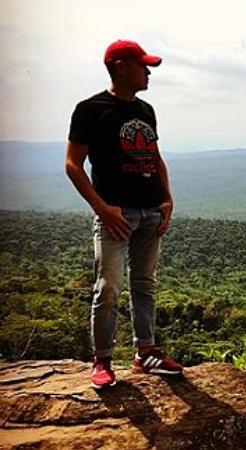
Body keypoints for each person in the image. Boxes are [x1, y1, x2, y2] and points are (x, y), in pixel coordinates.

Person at [65, 39, 183, 389]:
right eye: (142, 65)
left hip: (150, 212)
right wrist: (102, 209)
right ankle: (102, 360)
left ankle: (144, 353)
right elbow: (73, 165)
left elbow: (155, 156)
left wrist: (167, 198)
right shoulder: (91, 109)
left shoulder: (146, 110)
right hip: (116, 214)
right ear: (120, 66)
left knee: (145, 284)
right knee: (109, 288)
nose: (148, 72)